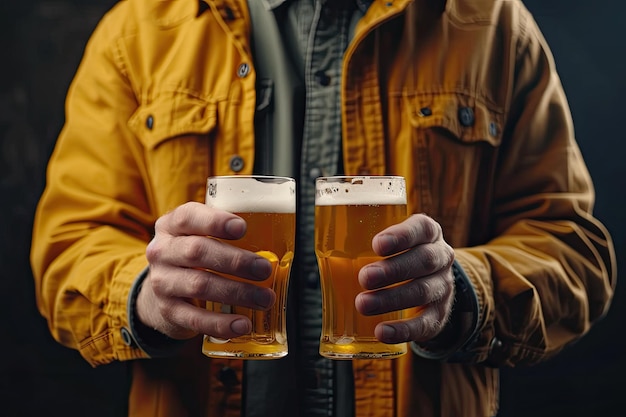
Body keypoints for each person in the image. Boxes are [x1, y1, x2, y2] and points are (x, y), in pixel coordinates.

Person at [30, 0, 616, 415]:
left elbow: (574, 250)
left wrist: (465, 291)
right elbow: (68, 245)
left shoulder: (494, 25)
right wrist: (141, 295)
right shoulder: (135, 32)